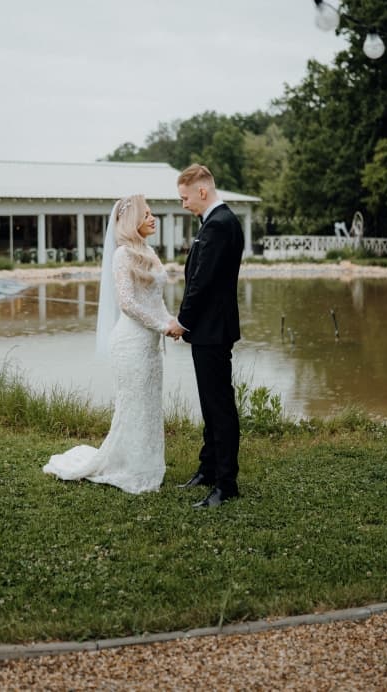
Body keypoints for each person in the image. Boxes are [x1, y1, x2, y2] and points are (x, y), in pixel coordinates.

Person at [43, 195, 174, 494]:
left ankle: (148, 464)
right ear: (132, 221)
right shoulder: (122, 255)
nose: (153, 218)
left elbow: (156, 301)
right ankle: (130, 467)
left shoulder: (149, 251)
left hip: (151, 343)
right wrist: (162, 326)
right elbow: (127, 304)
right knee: (134, 405)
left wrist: (172, 322)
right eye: (147, 214)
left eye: (153, 214)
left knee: (150, 404)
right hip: (131, 342)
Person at [167, 164, 244, 508]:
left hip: (213, 330)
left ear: (202, 191)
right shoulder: (213, 223)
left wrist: (182, 322)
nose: (183, 204)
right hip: (209, 329)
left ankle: (226, 484)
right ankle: (208, 468)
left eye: (184, 197)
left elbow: (202, 281)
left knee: (219, 407)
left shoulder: (219, 225)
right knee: (210, 406)